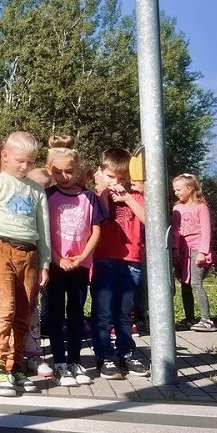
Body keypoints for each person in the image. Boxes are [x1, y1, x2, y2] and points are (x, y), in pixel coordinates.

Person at [0, 132, 50, 397]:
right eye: (20, 161)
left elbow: (43, 228)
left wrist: (46, 263)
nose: (24, 167)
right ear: (4, 156)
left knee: (23, 312)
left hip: (30, 254)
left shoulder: (36, 190)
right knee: (4, 309)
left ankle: (15, 364)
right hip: (1, 248)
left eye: (30, 162)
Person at [45, 146, 104, 387]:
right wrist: (57, 258)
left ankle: (75, 360)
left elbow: (96, 229)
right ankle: (59, 362)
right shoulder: (47, 195)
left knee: (77, 314)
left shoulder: (88, 198)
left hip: (80, 265)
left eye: (69, 171)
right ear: (49, 170)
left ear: (78, 170)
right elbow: (43, 230)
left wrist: (82, 257)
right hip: (56, 265)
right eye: (57, 171)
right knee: (56, 315)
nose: (64, 176)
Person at [91, 149, 149, 380]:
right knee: (103, 313)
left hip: (132, 260)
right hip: (104, 259)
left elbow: (149, 219)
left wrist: (127, 199)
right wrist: (104, 194)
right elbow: (100, 219)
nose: (117, 183)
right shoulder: (96, 196)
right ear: (102, 173)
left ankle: (127, 353)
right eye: (112, 177)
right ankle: (105, 356)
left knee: (125, 313)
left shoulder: (136, 196)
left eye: (122, 179)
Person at [172, 173, 216, 332]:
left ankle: (206, 320)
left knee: (195, 283)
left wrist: (203, 252)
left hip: (198, 249)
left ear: (190, 188)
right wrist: (175, 248)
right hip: (184, 250)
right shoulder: (177, 208)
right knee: (184, 284)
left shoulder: (201, 207)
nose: (176, 193)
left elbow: (206, 230)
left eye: (179, 189)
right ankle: (189, 318)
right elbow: (175, 231)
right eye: (174, 190)